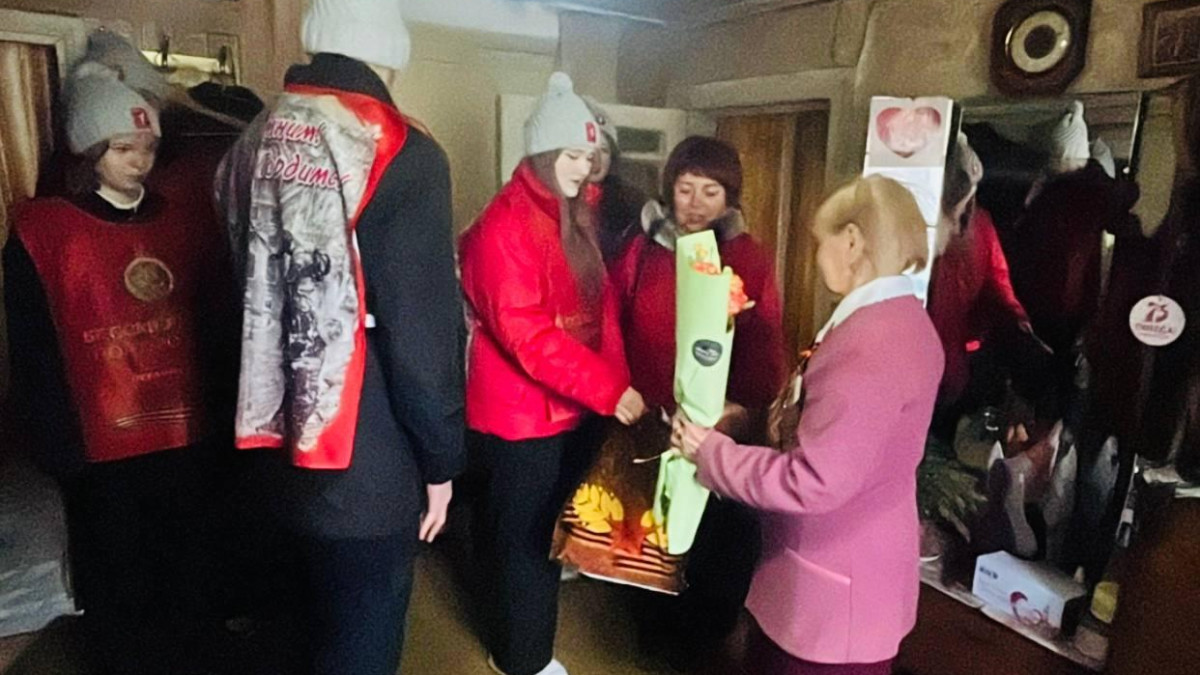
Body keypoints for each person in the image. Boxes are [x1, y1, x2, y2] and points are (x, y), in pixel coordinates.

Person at [214, 2, 465, 673]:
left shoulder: (250, 139)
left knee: (295, 628)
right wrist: (442, 460)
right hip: (365, 458)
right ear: (389, 55)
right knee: (362, 634)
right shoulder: (401, 150)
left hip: (263, 444)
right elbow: (421, 336)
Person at [4, 63, 236, 674]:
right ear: (90, 151)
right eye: (123, 148)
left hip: (184, 432)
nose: (139, 161)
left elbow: (212, 318)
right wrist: (56, 441)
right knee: (118, 578)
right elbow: (32, 346)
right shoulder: (46, 231)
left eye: (148, 148)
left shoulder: (183, 218)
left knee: (189, 568)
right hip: (101, 444)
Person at [673, 175, 944, 675]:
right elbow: (839, 432)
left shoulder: (870, 344)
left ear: (853, 242)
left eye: (821, 243)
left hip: (831, 593)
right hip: (862, 571)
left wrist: (711, 454)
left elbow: (816, 479)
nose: (818, 258)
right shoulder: (905, 319)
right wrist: (749, 423)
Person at [459, 72, 647, 675]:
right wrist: (609, 389)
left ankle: (521, 644)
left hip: (571, 405)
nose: (583, 168)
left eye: (588, 157)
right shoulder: (504, 227)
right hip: (522, 417)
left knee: (542, 535)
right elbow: (529, 336)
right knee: (524, 543)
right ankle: (522, 659)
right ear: (541, 153)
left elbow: (601, 310)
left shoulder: (574, 214)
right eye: (570, 155)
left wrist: (613, 387)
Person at [612, 135, 787, 666]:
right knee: (646, 540)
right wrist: (621, 388)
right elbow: (614, 322)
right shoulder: (643, 250)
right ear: (669, 189)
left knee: (715, 547)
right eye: (685, 189)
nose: (695, 204)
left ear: (730, 198)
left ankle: (703, 644)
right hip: (649, 420)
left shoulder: (747, 258)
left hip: (718, 429)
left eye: (711, 192)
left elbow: (765, 342)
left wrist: (741, 411)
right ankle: (651, 635)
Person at [928, 133, 1046, 434]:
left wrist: (1017, 320)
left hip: (964, 357)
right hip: (925, 357)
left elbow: (997, 279)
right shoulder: (923, 229)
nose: (967, 204)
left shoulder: (980, 223)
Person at [581, 97, 645, 264]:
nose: (596, 159)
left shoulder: (631, 205)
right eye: (587, 148)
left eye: (604, 150)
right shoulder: (549, 203)